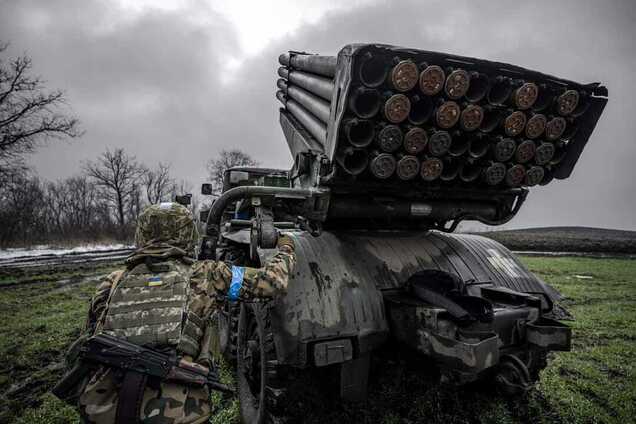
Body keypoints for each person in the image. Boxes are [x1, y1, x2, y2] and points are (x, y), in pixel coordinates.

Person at [60, 202, 295, 424]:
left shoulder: (112, 281)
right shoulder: (207, 275)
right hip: (179, 412)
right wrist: (286, 247)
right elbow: (272, 282)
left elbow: (87, 344)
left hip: (104, 410)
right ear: (187, 234)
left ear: (141, 234)